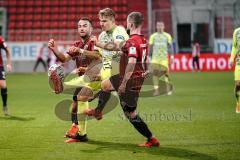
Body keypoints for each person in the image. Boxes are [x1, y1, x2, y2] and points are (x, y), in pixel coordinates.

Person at [85, 12, 160, 147]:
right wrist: (99, 44)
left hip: (130, 80)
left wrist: (124, 83)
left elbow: (131, 62)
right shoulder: (143, 40)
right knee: (105, 85)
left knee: (130, 113)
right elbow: (119, 47)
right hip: (135, 78)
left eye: (127, 22)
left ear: (130, 24)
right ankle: (98, 111)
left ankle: (151, 138)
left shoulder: (132, 41)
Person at [48, 17, 101, 143]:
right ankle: (76, 129)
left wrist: (81, 52)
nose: (81, 28)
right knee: (74, 106)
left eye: (84, 26)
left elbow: (98, 55)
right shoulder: (77, 45)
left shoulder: (95, 41)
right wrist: (55, 49)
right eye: (79, 26)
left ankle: (80, 133)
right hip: (83, 80)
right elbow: (63, 59)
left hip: (96, 80)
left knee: (80, 100)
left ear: (91, 29)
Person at [149, 21, 174, 96]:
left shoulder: (167, 36)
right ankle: (156, 90)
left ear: (164, 27)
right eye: (158, 26)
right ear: (156, 27)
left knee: (166, 73)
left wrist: (172, 56)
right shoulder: (153, 36)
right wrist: (148, 57)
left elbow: (170, 47)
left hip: (164, 58)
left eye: (161, 26)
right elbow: (150, 47)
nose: (159, 27)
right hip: (155, 58)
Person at [0, 36, 12, 116]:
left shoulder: (0, 39)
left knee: (3, 86)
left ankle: (4, 106)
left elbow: (7, 49)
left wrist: (8, 63)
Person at [230, 27, 240, 113]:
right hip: (239, 63)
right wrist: (231, 58)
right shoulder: (236, 32)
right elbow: (234, 46)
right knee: (237, 85)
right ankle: (238, 103)